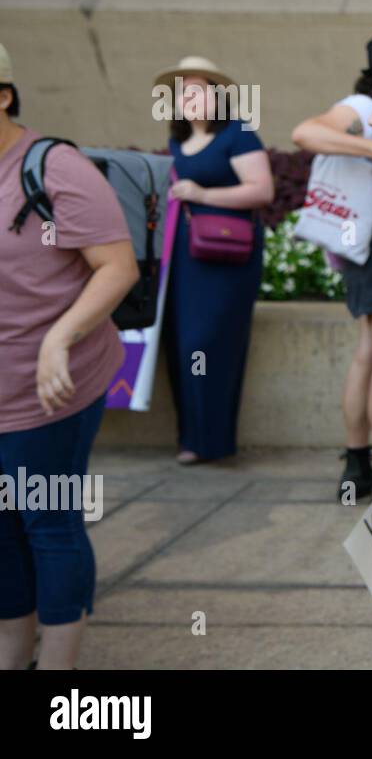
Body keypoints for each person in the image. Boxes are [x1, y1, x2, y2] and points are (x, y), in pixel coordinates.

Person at [0, 41, 139, 669]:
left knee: (48, 525)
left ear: (3, 96)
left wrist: (60, 336)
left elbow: (117, 267)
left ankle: (59, 673)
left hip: (51, 389)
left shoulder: (52, 166)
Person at [292, 30, 372, 500]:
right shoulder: (366, 106)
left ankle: (356, 461)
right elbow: (304, 132)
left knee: (368, 352)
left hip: (370, 232)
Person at [159, 56, 274, 464]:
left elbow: (262, 190)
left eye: (201, 89)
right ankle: (191, 439)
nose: (192, 98)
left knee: (209, 342)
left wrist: (203, 195)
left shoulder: (238, 135)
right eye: (185, 91)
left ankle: (215, 440)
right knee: (180, 345)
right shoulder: (177, 142)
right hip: (184, 259)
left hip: (229, 258)